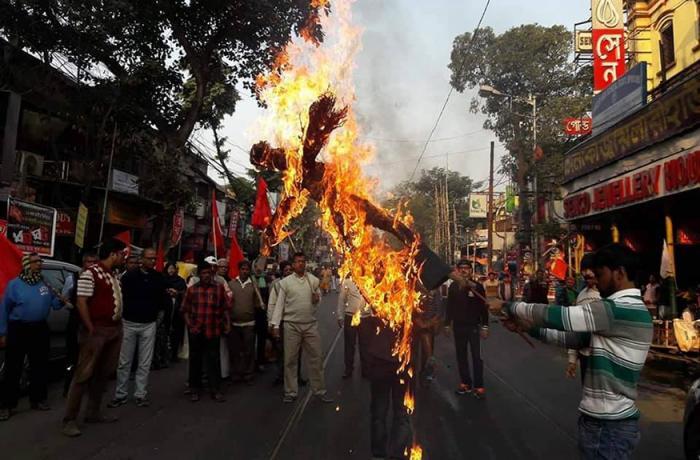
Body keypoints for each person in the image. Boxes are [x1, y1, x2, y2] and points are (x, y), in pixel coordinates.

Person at [496, 243, 652, 460]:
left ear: (619, 273)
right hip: (605, 422)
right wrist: (526, 328)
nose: (595, 281)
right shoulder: (621, 310)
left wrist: (511, 307)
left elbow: (562, 317)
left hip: (608, 425)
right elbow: (572, 338)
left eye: (600, 274)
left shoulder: (619, 310)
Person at [62, 239, 126, 437]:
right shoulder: (91, 274)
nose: (124, 258)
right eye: (121, 254)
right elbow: (81, 302)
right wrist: (91, 328)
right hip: (97, 331)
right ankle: (69, 419)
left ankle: (93, 412)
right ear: (113, 254)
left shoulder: (113, 274)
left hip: (114, 329)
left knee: (103, 374)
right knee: (83, 374)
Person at [0, 253, 66, 421]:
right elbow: (4, 310)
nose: (40, 264)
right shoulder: (14, 285)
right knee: (13, 368)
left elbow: (55, 305)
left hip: (40, 329)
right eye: (36, 262)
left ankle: (38, 400)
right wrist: (3, 332)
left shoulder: (44, 282)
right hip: (18, 328)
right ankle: (7, 405)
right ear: (27, 264)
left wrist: (62, 299)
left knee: (40, 365)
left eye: (40, 261)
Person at [108, 248, 168, 408]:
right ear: (142, 259)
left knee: (144, 362)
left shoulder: (158, 278)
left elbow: (162, 301)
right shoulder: (129, 277)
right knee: (124, 361)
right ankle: (120, 394)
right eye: (149, 258)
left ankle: (140, 394)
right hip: (128, 323)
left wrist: (158, 319)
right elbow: (120, 299)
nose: (152, 261)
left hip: (149, 324)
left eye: (154, 258)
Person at [271, 252, 333, 403]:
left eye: (303, 261)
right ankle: (291, 392)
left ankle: (319, 390)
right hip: (291, 325)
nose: (301, 264)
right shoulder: (285, 283)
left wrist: (316, 299)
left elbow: (318, 300)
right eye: (298, 261)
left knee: (316, 358)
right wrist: (275, 325)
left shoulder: (312, 281)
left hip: (310, 325)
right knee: (290, 360)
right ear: (293, 265)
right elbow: (279, 305)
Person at [358, 314, 411, 460]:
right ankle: (391, 453)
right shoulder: (383, 300)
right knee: (396, 412)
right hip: (391, 364)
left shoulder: (378, 302)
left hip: (392, 364)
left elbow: (365, 336)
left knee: (382, 412)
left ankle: (383, 452)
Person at [182, 262, 231, 402]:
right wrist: (190, 326)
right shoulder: (192, 290)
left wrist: (227, 324)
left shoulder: (219, 288)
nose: (206, 276)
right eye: (203, 273)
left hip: (213, 330)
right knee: (195, 361)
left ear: (212, 274)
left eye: (208, 273)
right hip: (196, 331)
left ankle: (215, 390)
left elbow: (225, 308)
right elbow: (185, 310)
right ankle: (194, 389)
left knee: (214, 361)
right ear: (199, 275)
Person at [446, 260, 489, 397]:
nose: (464, 270)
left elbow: (484, 308)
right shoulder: (453, 287)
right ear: (457, 270)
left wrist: (485, 326)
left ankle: (479, 386)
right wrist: (447, 324)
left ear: (471, 271)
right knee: (461, 356)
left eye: (467, 268)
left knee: (477, 357)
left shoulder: (477, 287)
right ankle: (465, 384)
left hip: (473, 327)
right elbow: (449, 307)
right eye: (461, 268)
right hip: (459, 327)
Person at [64, 252, 99, 397]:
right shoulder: (72, 278)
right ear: (83, 263)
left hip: (94, 323)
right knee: (73, 357)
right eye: (88, 262)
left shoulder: (100, 280)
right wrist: (69, 304)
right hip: (76, 323)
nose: (91, 265)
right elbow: (65, 298)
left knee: (91, 357)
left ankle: (89, 388)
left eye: (94, 262)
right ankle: (69, 388)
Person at [268, 261, 304, 386]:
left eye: (290, 270)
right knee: (281, 351)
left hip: (297, 322)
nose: (288, 272)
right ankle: (281, 376)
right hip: (282, 323)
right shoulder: (276, 285)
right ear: (282, 271)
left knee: (297, 351)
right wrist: (271, 323)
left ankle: (297, 377)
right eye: (286, 270)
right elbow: (272, 304)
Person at [227, 260, 263, 385]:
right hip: (234, 323)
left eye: (247, 269)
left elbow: (258, 304)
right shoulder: (231, 284)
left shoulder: (253, 285)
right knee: (235, 350)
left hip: (249, 323)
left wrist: (260, 302)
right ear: (239, 270)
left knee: (249, 350)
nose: (245, 271)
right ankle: (236, 373)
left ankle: (249, 374)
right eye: (243, 269)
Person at [566, 255, 601, 382]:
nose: (586, 274)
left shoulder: (608, 295)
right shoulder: (581, 296)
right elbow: (576, 327)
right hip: (585, 354)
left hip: (603, 357)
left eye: (589, 270)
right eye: (584, 271)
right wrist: (572, 359)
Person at [337, 276, 370, 379]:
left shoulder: (369, 280)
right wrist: (340, 316)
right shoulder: (347, 282)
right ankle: (348, 369)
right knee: (349, 345)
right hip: (350, 317)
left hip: (365, 318)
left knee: (365, 345)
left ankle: (366, 370)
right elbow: (341, 299)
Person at [413, 286, 443, 387]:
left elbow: (439, 311)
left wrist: (431, 323)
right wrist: (418, 322)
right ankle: (411, 376)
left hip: (429, 325)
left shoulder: (435, 291)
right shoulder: (412, 288)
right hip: (414, 325)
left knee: (427, 354)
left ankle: (425, 375)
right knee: (413, 353)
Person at [164, 263, 187, 362]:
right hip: (165, 309)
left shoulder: (180, 281)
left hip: (177, 310)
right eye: (169, 268)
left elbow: (185, 293)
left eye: (173, 268)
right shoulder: (163, 279)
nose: (171, 271)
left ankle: (174, 354)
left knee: (176, 332)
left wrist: (177, 293)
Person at [252, 263, 270, 372]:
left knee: (262, 339)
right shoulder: (250, 279)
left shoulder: (266, 278)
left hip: (262, 313)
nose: (259, 269)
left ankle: (260, 361)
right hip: (251, 312)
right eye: (257, 266)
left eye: (261, 267)